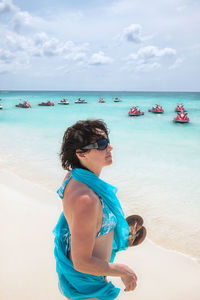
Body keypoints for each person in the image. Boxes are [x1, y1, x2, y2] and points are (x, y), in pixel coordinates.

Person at [53, 120, 145, 300]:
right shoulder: (86, 200)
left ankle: (115, 233)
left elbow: (76, 220)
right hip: (88, 286)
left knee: (101, 221)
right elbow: (81, 262)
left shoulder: (73, 176)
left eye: (107, 141)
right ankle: (115, 233)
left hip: (80, 279)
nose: (110, 147)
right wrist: (123, 271)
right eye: (101, 144)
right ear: (81, 153)